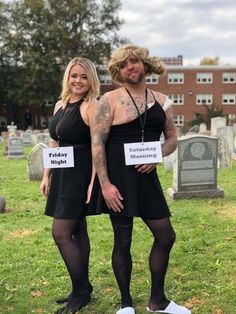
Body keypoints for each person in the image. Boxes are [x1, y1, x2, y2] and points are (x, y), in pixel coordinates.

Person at [90, 44, 191, 314]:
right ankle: (125, 304)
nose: (129, 68)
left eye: (133, 62)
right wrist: (105, 184)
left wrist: (157, 153)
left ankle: (157, 300)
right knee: (122, 241)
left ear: (144, 64)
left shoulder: (162, 100)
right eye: (123, 65)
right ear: (118, 71)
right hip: (118, 180)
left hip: (147, 179)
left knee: (166, 235)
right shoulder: (109, 100)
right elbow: (97, 144)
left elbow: (172, 139)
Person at [40, 57, 100, 314]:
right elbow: (54, 143)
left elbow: (98, 147)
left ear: (91, 80)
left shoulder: (92, 106)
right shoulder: (60, 105)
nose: (78, 81)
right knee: (77, 231)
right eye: (74, 75)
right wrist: (46, 175)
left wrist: (93, 182)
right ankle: (84, 286)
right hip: (61, 172)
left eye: (84, 77)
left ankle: (79, 294)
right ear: (68, 77)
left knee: (60, 233)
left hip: (80, 174)